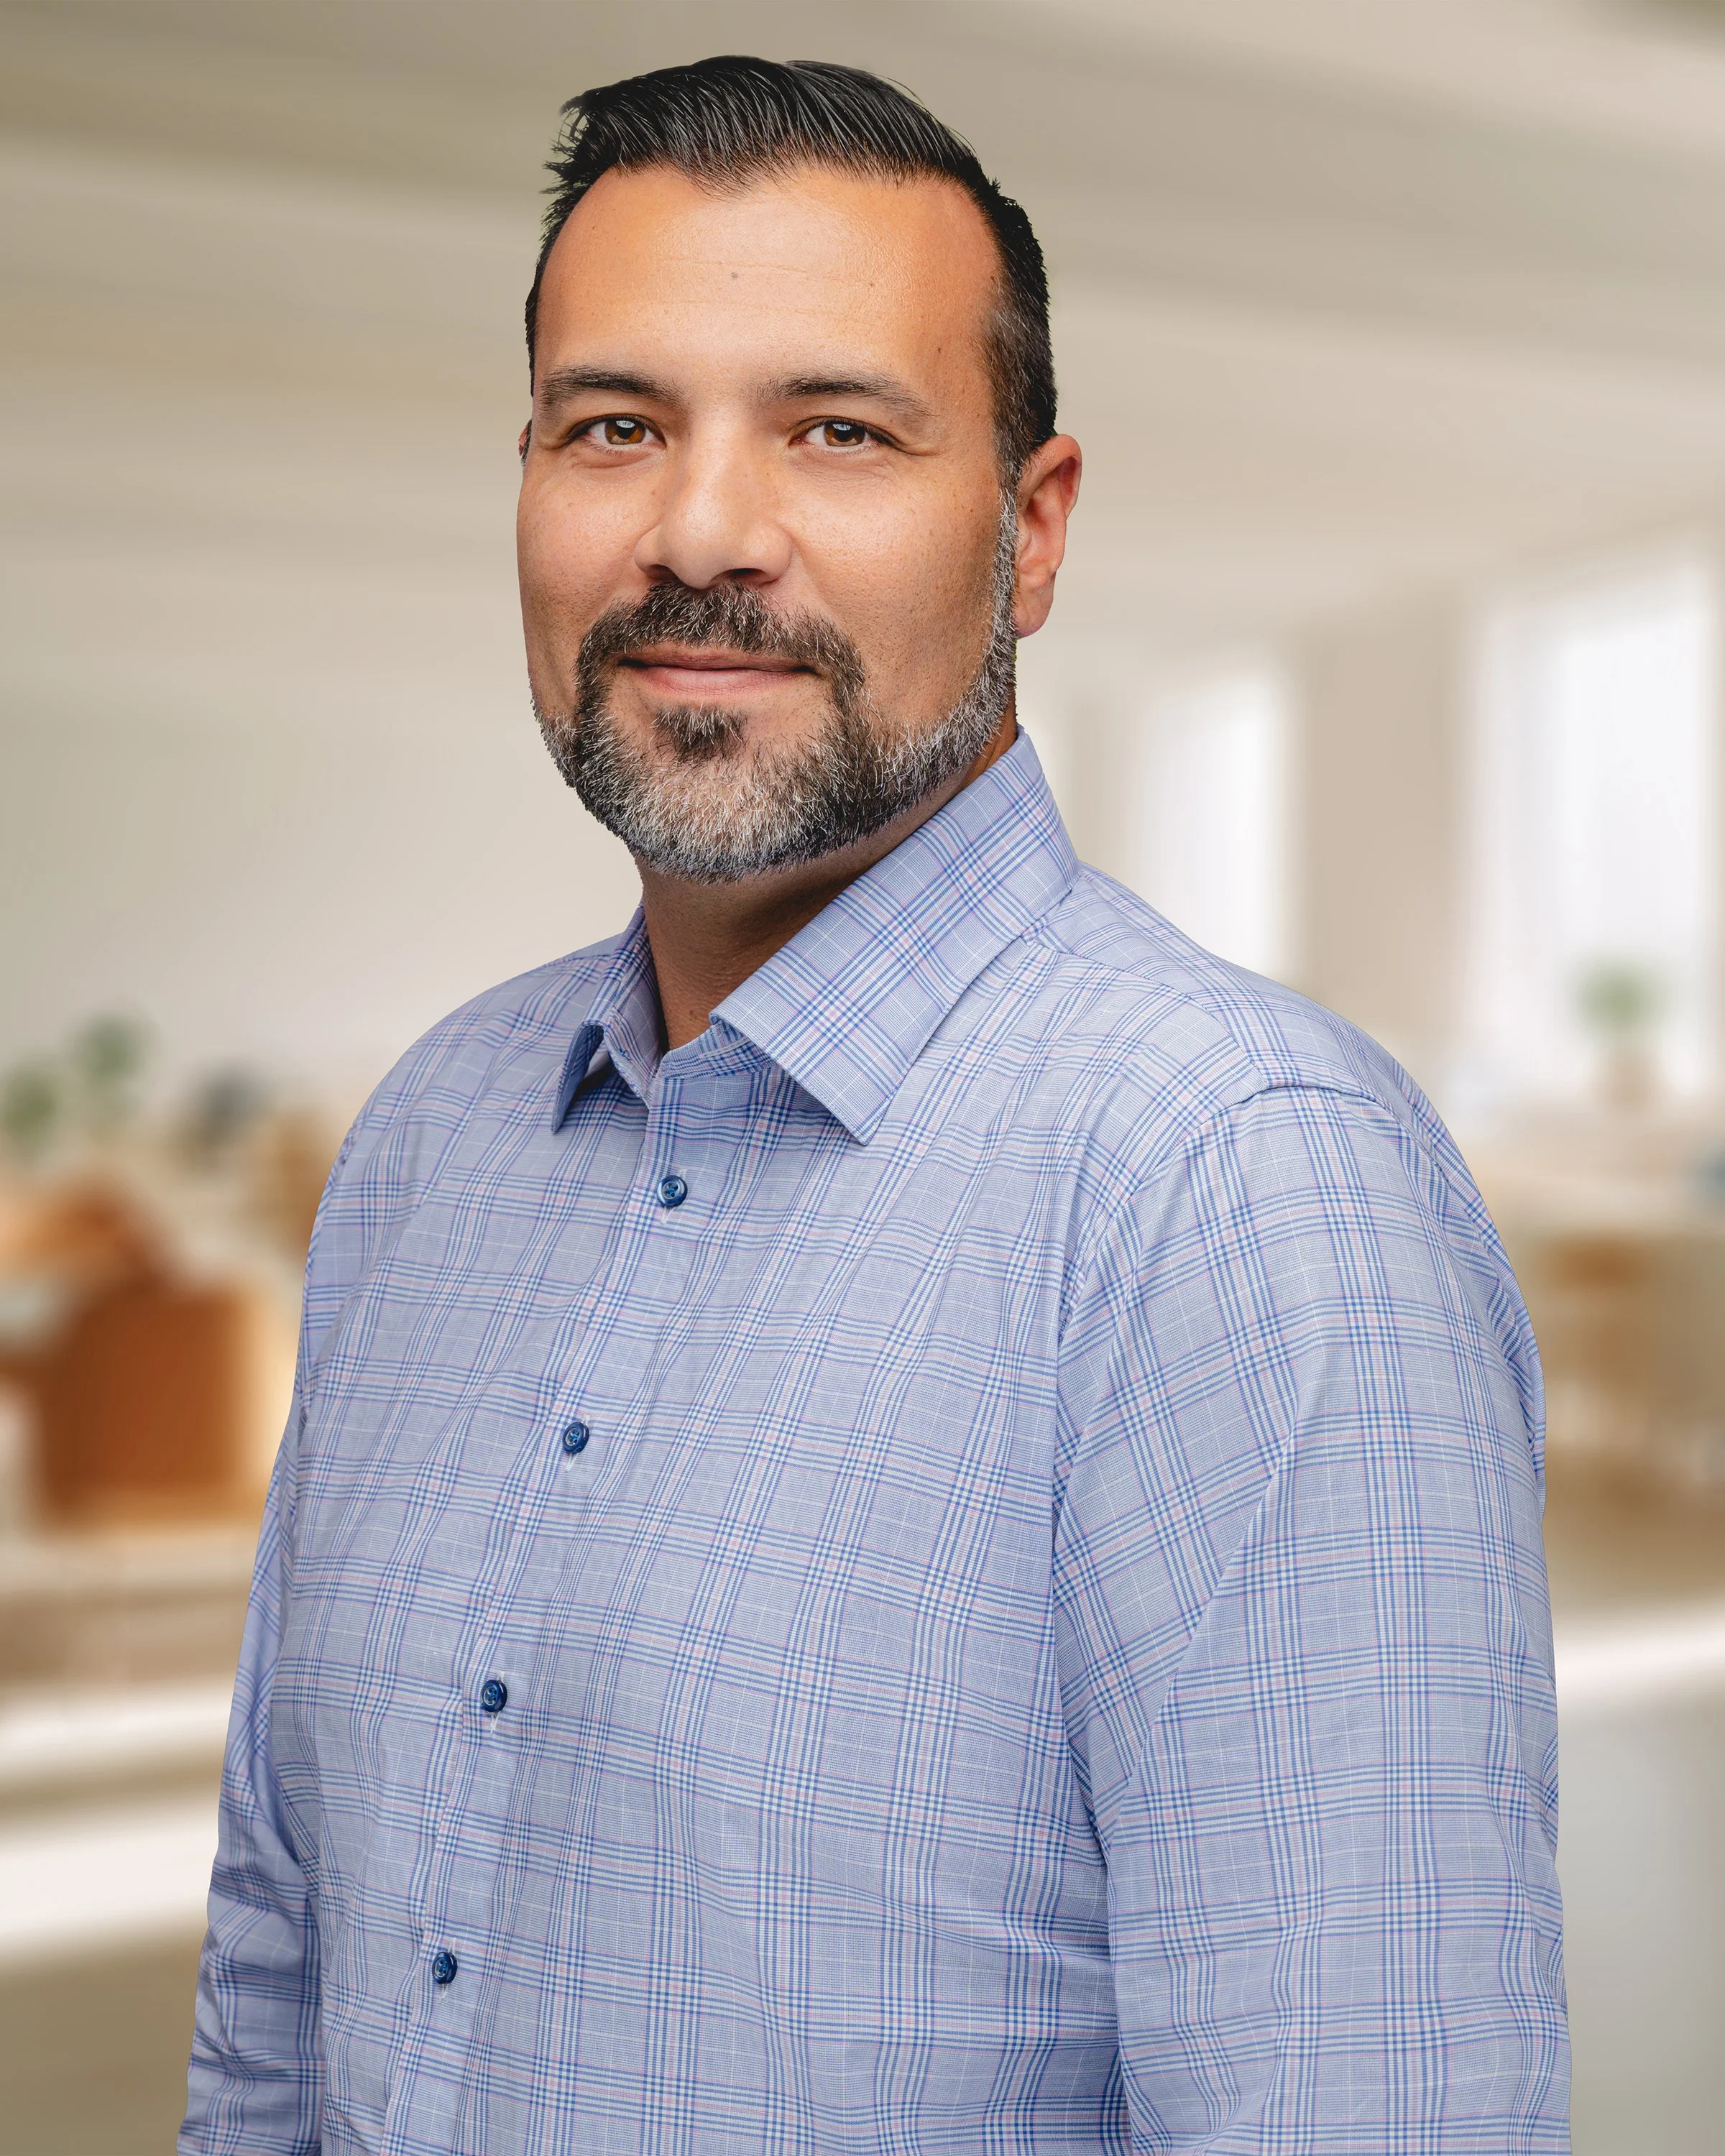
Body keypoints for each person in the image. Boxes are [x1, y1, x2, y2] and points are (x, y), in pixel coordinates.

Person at [182, 55, 1567, 2155]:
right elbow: (282, 1967)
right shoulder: (429, 1142)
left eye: (837, 429)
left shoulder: (1241, 1188)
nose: (702, 534)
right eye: (613, 427)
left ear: (1030, 530)